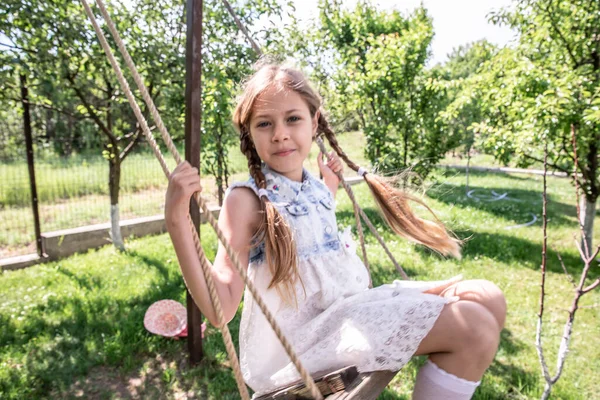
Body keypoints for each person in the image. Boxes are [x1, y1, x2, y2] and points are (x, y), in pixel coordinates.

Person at [165, 62, 506, 400]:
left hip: (350, 314)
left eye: (293, 119)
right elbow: (220, 307)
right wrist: (177, 221)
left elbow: (308, 233)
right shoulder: (247, 201)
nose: (280, 133)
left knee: (487, 296)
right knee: (473, 327)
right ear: (250, 134)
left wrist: (329, 188)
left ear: (314, 123)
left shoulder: (313, 186)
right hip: (305, 348)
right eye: (265, 123)